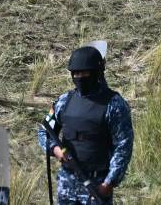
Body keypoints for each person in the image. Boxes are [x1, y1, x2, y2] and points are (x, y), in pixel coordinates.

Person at [39, 46, 135, 204]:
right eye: (76, 73)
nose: (79, 77)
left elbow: (123, 146)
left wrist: (110, 182)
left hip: (97, 185)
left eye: (84, 73)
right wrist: (55, 150)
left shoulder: (114, 104)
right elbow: (44, 132)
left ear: (96, 73)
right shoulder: (64, 101)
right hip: (67, 183)